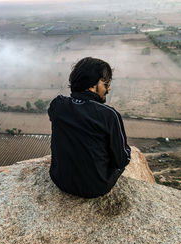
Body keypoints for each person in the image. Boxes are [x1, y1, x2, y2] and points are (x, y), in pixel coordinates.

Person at [48, 57, 131, 198]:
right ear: (92, 85)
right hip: (95, 188)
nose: (108, 88)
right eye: (106, 83)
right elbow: (121, 160)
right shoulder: (109, 115)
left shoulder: (57, 105)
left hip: (60, 180)